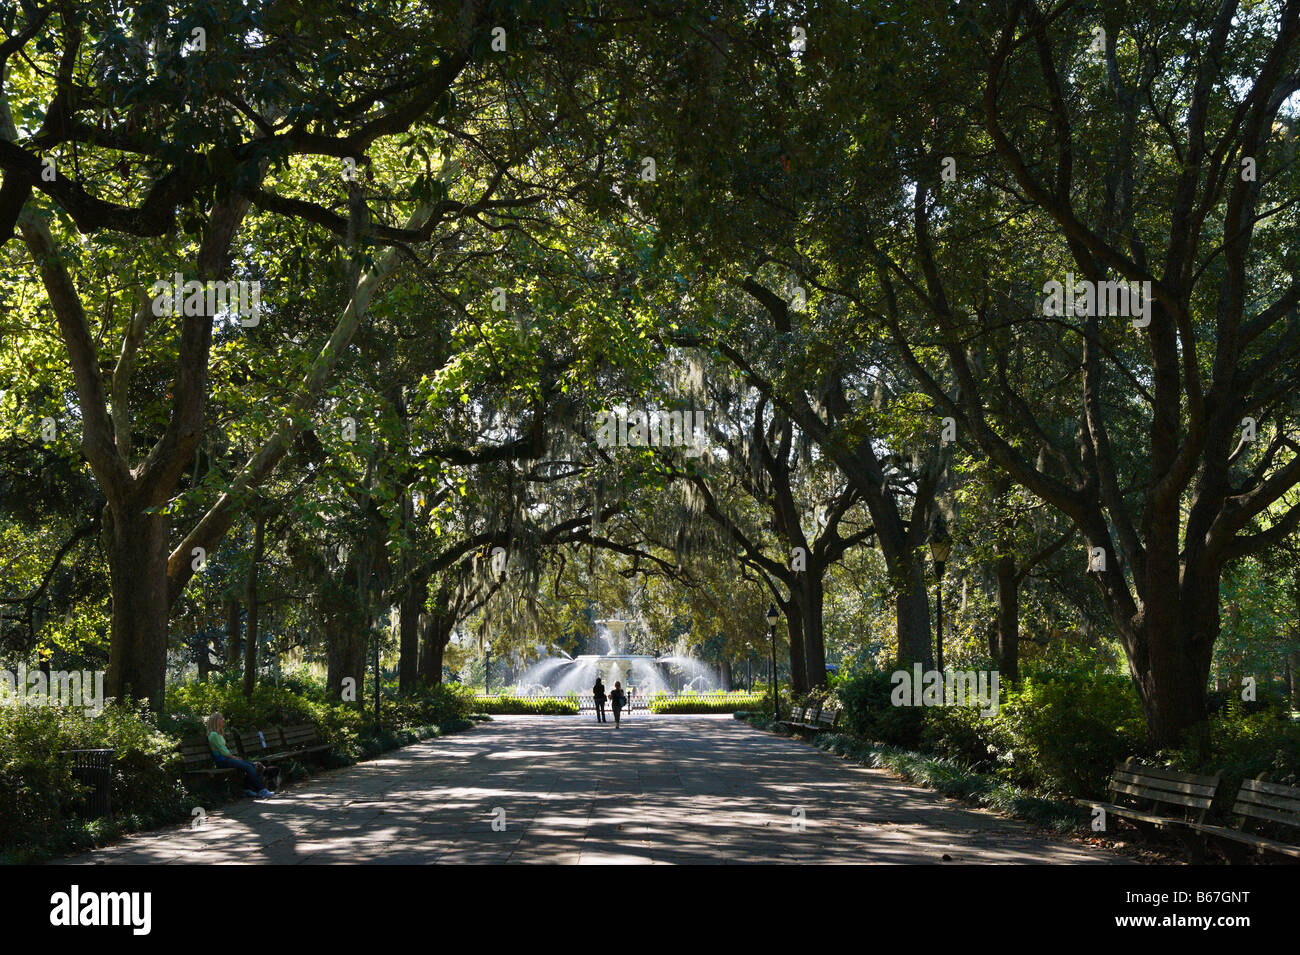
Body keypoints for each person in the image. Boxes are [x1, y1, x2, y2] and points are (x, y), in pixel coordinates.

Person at [206, 712, 273, 798]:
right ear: (216, 721)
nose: (223, 720)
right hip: (222, 761)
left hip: (227, 759)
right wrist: (234, 757)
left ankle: (247, 789)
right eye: (221, 718)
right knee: (249, 766)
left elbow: (224, 750)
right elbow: (223, 751)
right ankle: (262, 790)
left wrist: (234, 757)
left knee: (251, 765)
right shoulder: (213, 735)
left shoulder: (218, 734)